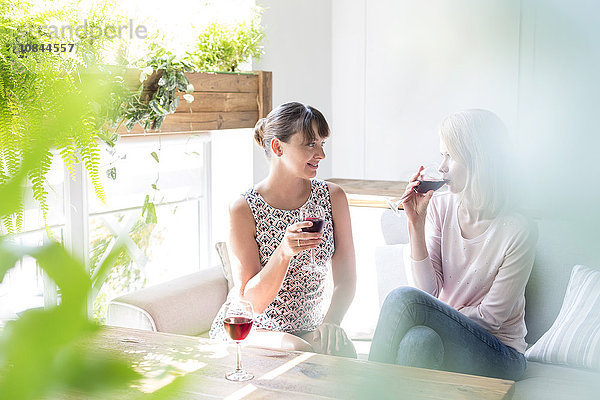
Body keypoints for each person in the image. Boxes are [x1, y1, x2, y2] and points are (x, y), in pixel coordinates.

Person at [369, 109, 537, 380]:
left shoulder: (518, 230)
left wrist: (436, 314)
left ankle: (363, 389)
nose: (443, 167)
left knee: (402, 298)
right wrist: (415, 223)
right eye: (442, 156)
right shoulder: (441, 206)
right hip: (447, 333)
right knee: (419, 341)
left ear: (478, 161)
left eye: (450, 156)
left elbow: (491, 318)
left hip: (500, 353)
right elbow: (430, 291)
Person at [210, 102, 357, 357]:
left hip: (309, 328)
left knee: (343, 351)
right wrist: (284, 252)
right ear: (278, 147)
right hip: (254, 329)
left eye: (322, 144)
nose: (321, 154)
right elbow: (251, 303)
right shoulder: (243, 208)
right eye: (311, 144)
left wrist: (331, 323)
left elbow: (346, 279)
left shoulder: (333, 197)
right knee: (298, 350)